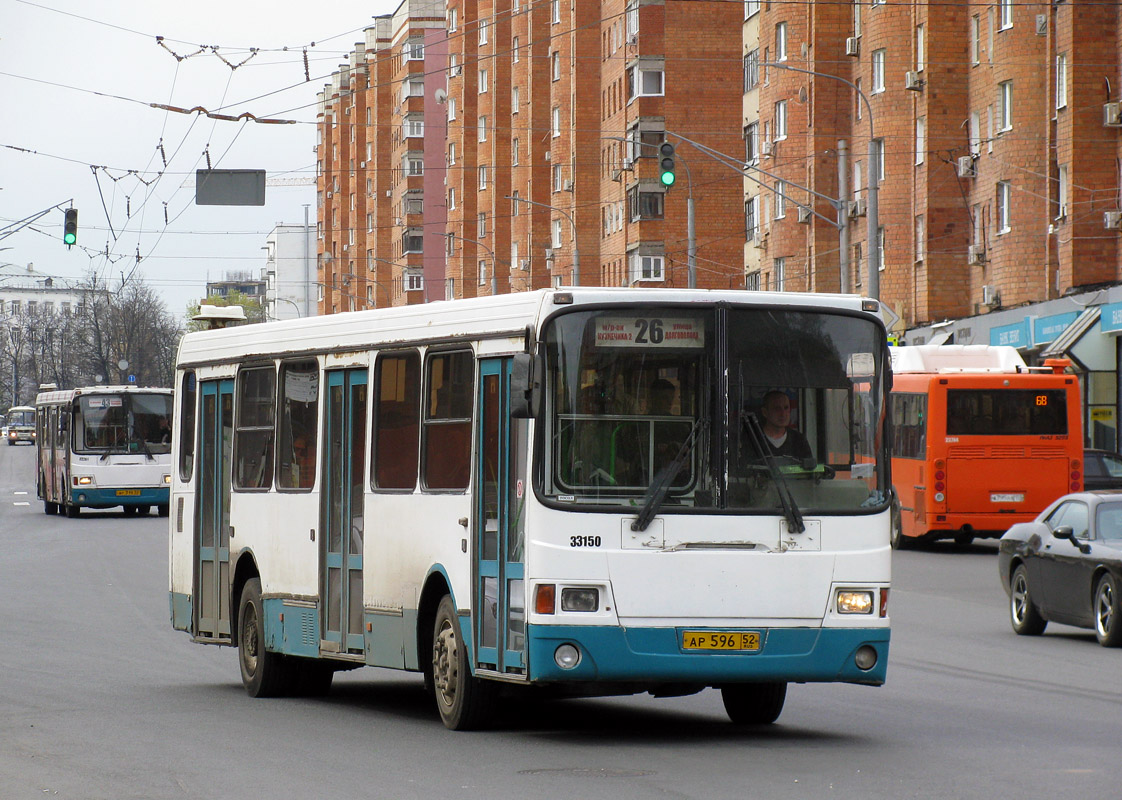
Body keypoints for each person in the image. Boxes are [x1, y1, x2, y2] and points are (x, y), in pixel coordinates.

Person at [754, 390, 813, 462]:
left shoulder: (798, 440)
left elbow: (809, 470)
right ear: (765, 412)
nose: (783, 414)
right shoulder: (753, 439)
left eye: (786, 408)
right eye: (777, 409)